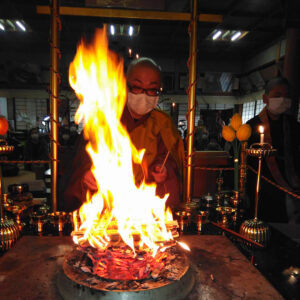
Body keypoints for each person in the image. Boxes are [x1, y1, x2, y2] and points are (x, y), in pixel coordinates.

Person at [63, 57, 185, 212]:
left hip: (146, 207)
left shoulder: (163, 123)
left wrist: (163, 170)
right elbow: (82, 163)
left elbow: (170, 160)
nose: (144, 95)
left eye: (152, 89)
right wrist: (88, 176)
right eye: (137, 87)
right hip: (108, 208)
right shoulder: (104, 120)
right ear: (125, 87)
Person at [246, 77, 300, 223]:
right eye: (277, 95)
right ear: (265, 98)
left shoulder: (293, 125)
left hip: (291, 184)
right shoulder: (251, 127)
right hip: (263, 187)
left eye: (286, 95)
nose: (283, 99)